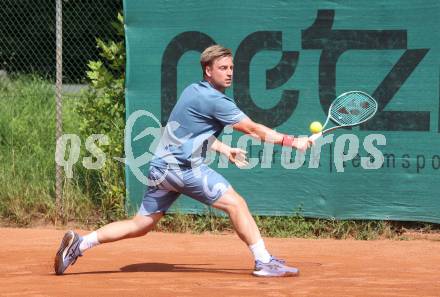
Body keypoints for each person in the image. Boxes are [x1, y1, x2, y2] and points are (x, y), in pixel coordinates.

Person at [54, 45, 312, 277]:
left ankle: (81, 243)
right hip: (182, 169)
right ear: (208, 71)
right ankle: (263, 261)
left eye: (231, 67)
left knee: (141, 224)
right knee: (236, 204)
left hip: (159, 168)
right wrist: (293, 141)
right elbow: (254, 130)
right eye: (223, 68)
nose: (229, 72)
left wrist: (223, 149)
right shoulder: (216, 100)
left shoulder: (192, 90)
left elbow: (189, 131)